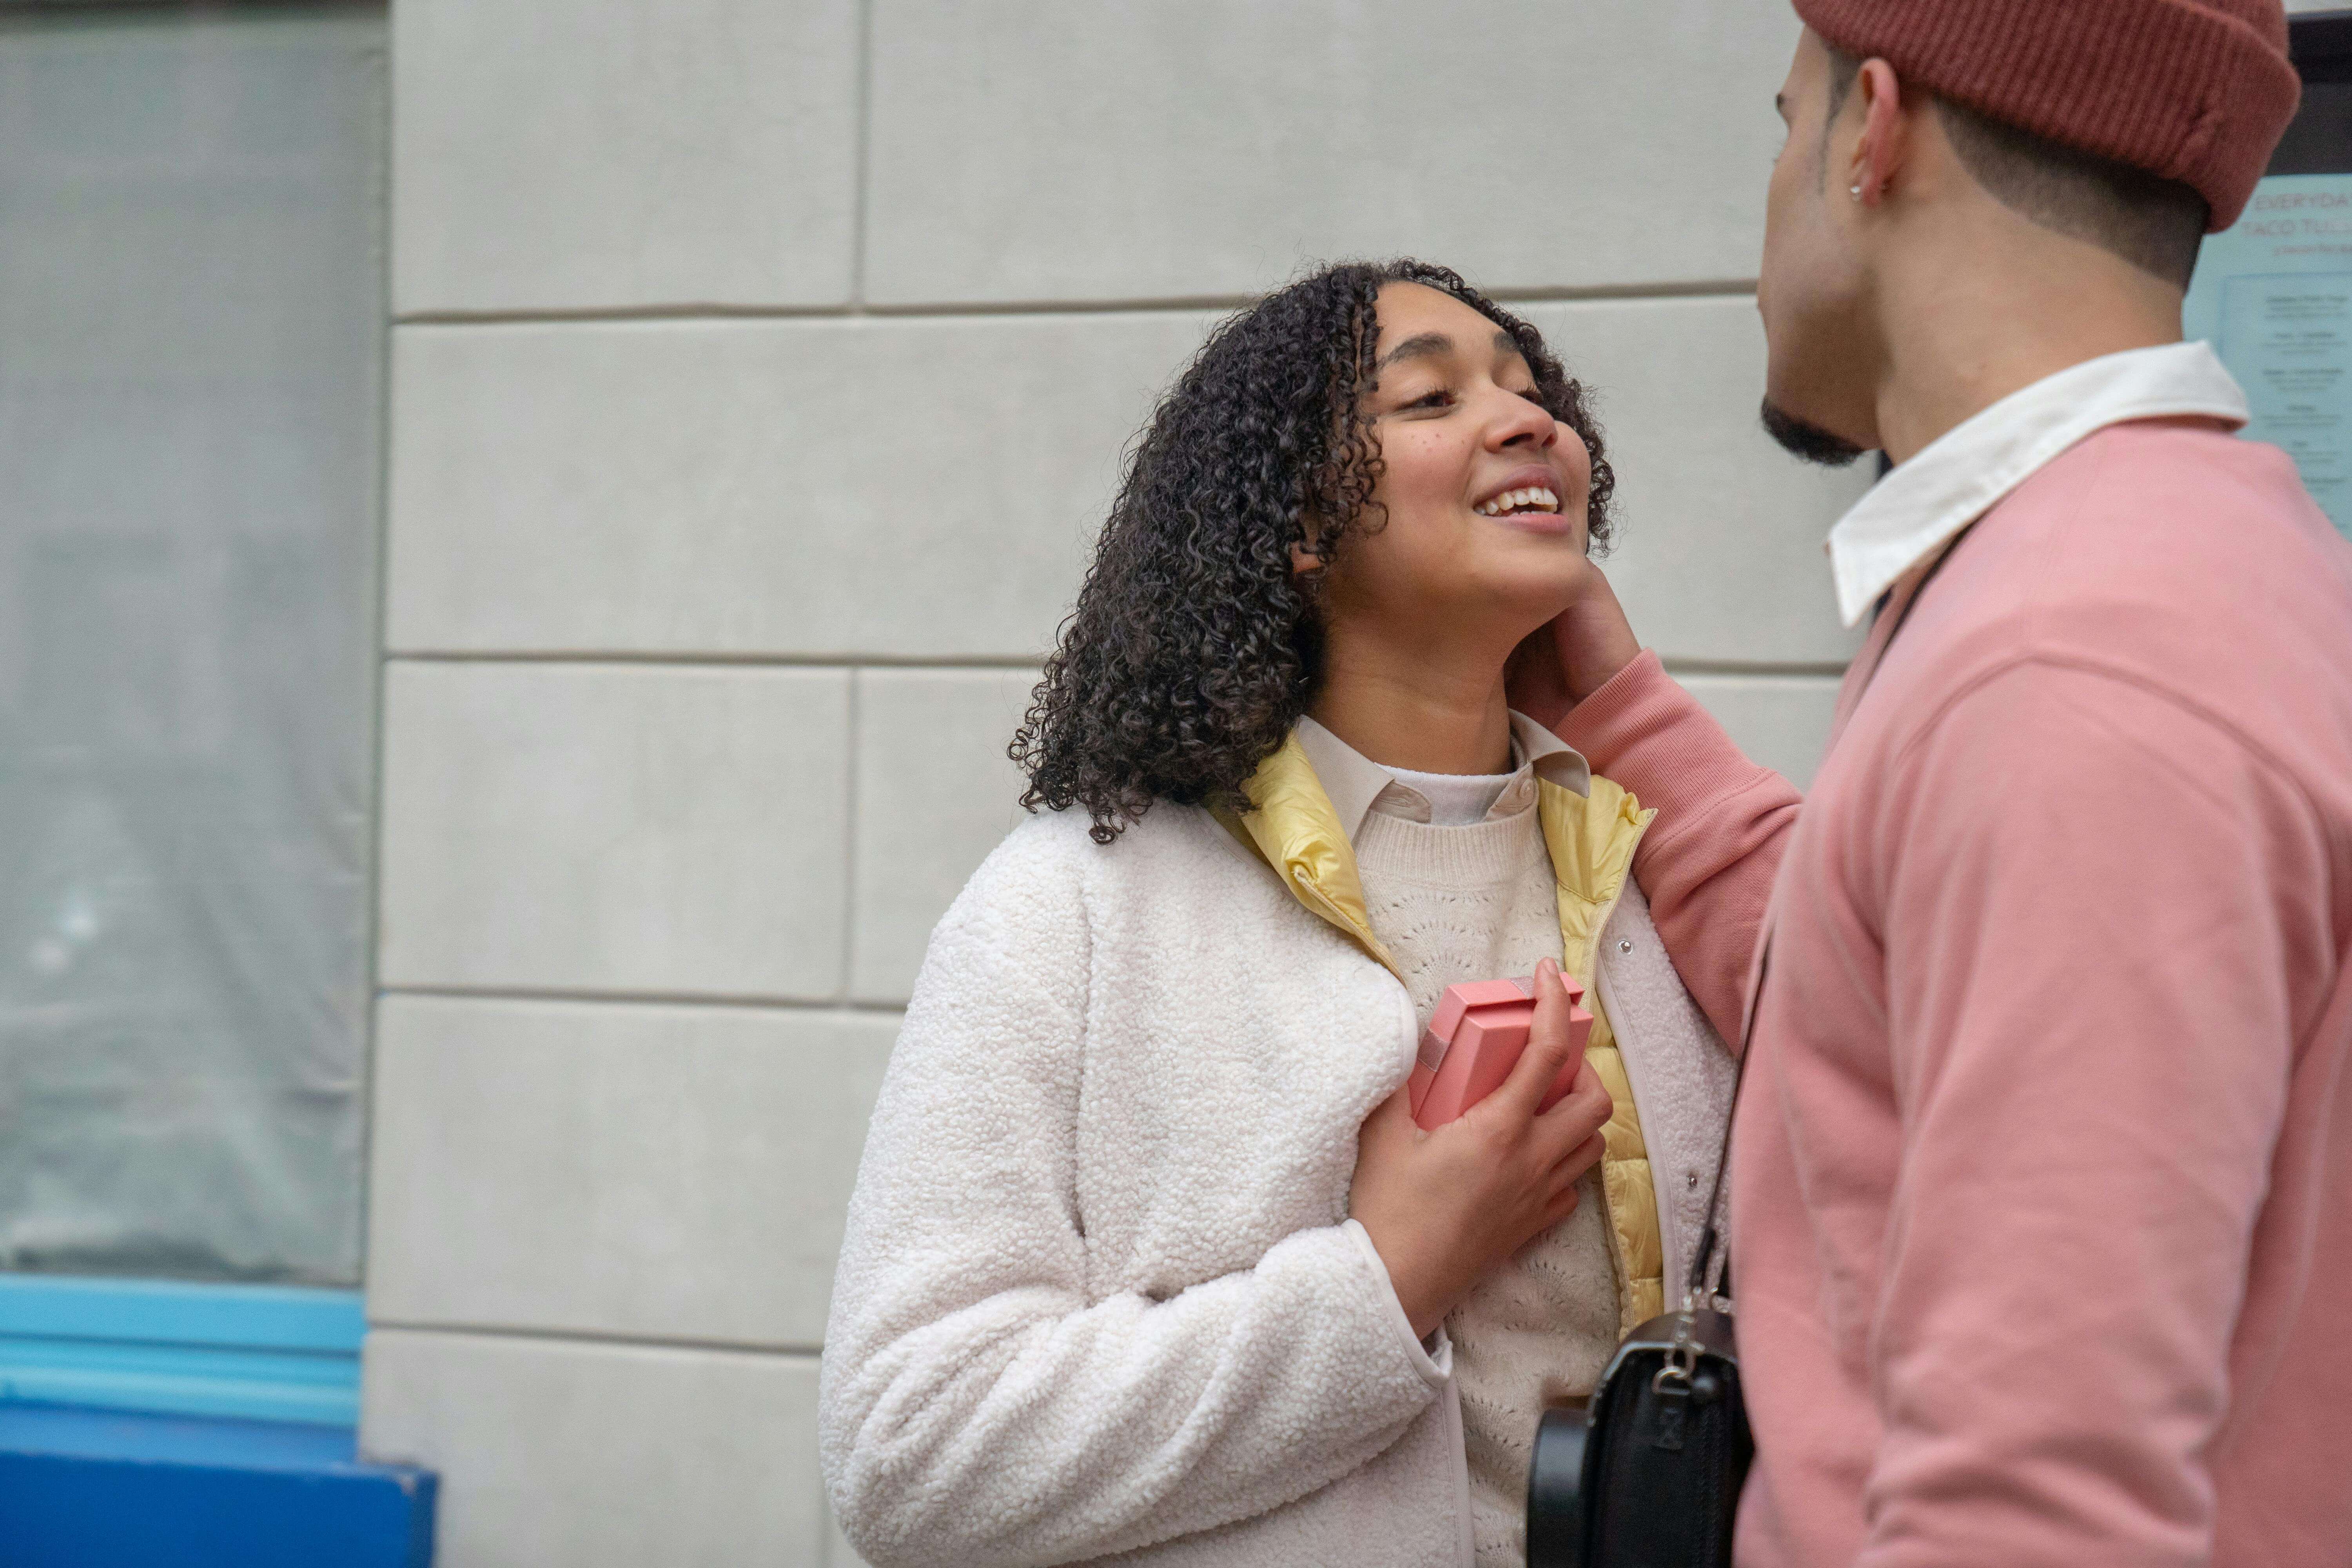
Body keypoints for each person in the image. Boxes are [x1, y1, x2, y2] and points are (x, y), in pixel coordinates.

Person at [1508, 4, 2352, 1564]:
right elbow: (1917, 1024)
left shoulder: (2077, 673)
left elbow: (2028, 1518)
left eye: (1785, 123)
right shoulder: (2195, 565)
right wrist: (1631, 723)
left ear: (1872, 132)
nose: (1772, 186)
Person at [817, 260, 1738, 1568]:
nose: (1530, 421)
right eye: (1429, 397)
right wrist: (1387, 1279)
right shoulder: (1074, 904)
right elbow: (909, 1453)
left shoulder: (1661, 880)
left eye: (1534, 392)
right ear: (1299, 521)